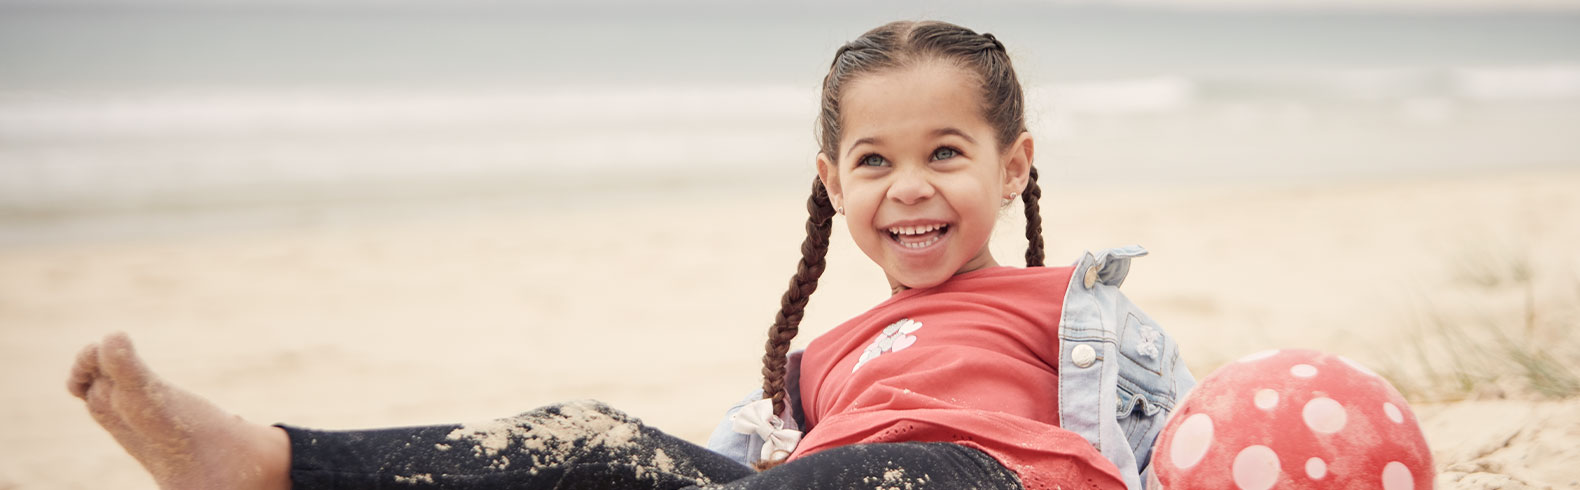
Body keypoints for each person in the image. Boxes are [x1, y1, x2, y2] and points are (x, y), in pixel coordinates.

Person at [66, 20, 1193, 490]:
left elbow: (1196, 435)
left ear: (1012, 166)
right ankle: (270, 460)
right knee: (597, 437)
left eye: (945, 151)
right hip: (805, 482)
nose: (906, 185)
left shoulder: (1072, 307)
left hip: (969, 479)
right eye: (871, 161)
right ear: (830, 184)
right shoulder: (807, 367)